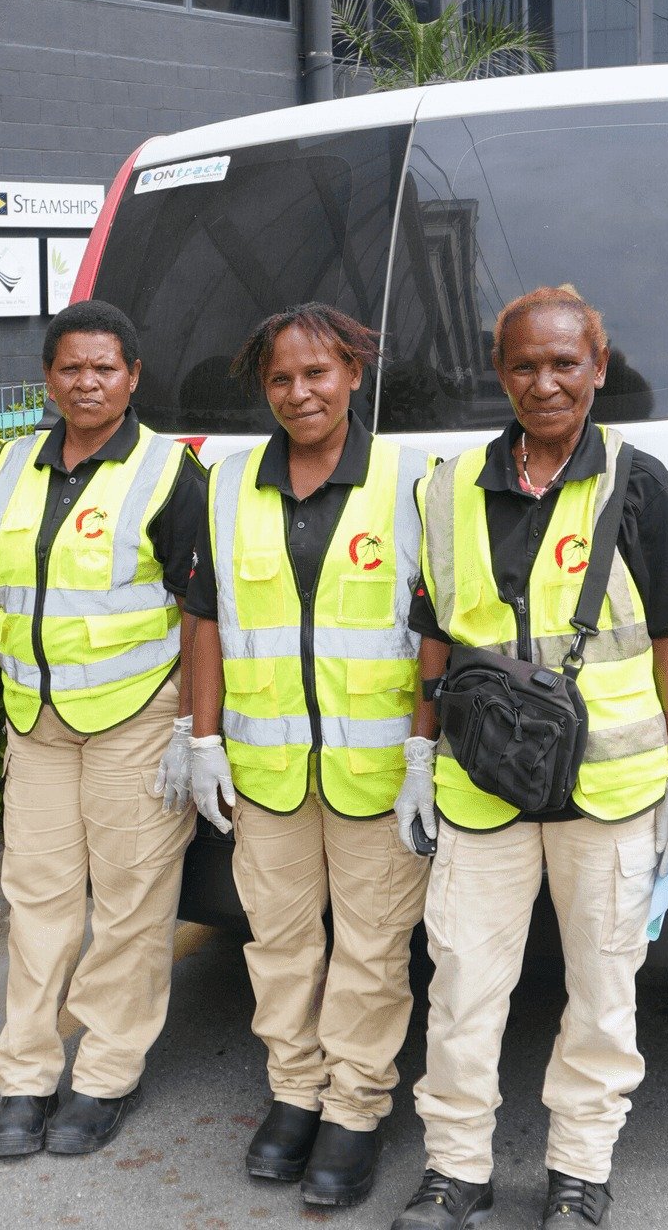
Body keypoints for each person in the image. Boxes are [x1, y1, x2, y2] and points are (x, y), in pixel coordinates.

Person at [390, 286, 668, 1230]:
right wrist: (419, 755)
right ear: (500, 374)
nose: (546, 383)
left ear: (598, 368)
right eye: (525, 365)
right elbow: (434, 641)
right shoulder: (449, 487)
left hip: (608, 793)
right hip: (481, 786)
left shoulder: (638, 483)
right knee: (462, 987)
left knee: (602, 993)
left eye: (565, 364)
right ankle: (455, 1171)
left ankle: (579, 1171)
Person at [188, 303, 431, 1210]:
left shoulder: (411, 483)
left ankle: (355, 1108)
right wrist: (201, 739)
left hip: (378, 775)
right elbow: (204, 621)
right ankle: (294, 1091)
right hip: (268, 773)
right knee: (281, 943)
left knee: (372, 950)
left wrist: (423, 751)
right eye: (281, 379)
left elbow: (437, 630)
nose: (300, 393)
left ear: (354, 376)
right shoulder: (226, 486)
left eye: (317, 373)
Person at [0, 300, 205, 1160]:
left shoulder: (168, 472)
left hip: (138, 718)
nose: (87, 382)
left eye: (104, 368)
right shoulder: (12, 466)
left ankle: (105, 1075)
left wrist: (191, 729)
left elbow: (199, 609)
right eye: (71, 368)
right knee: (38, 902)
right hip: (37, 721)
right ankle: (25, 1076)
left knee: (131, 904)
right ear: (48, 379)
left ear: (133, 377)